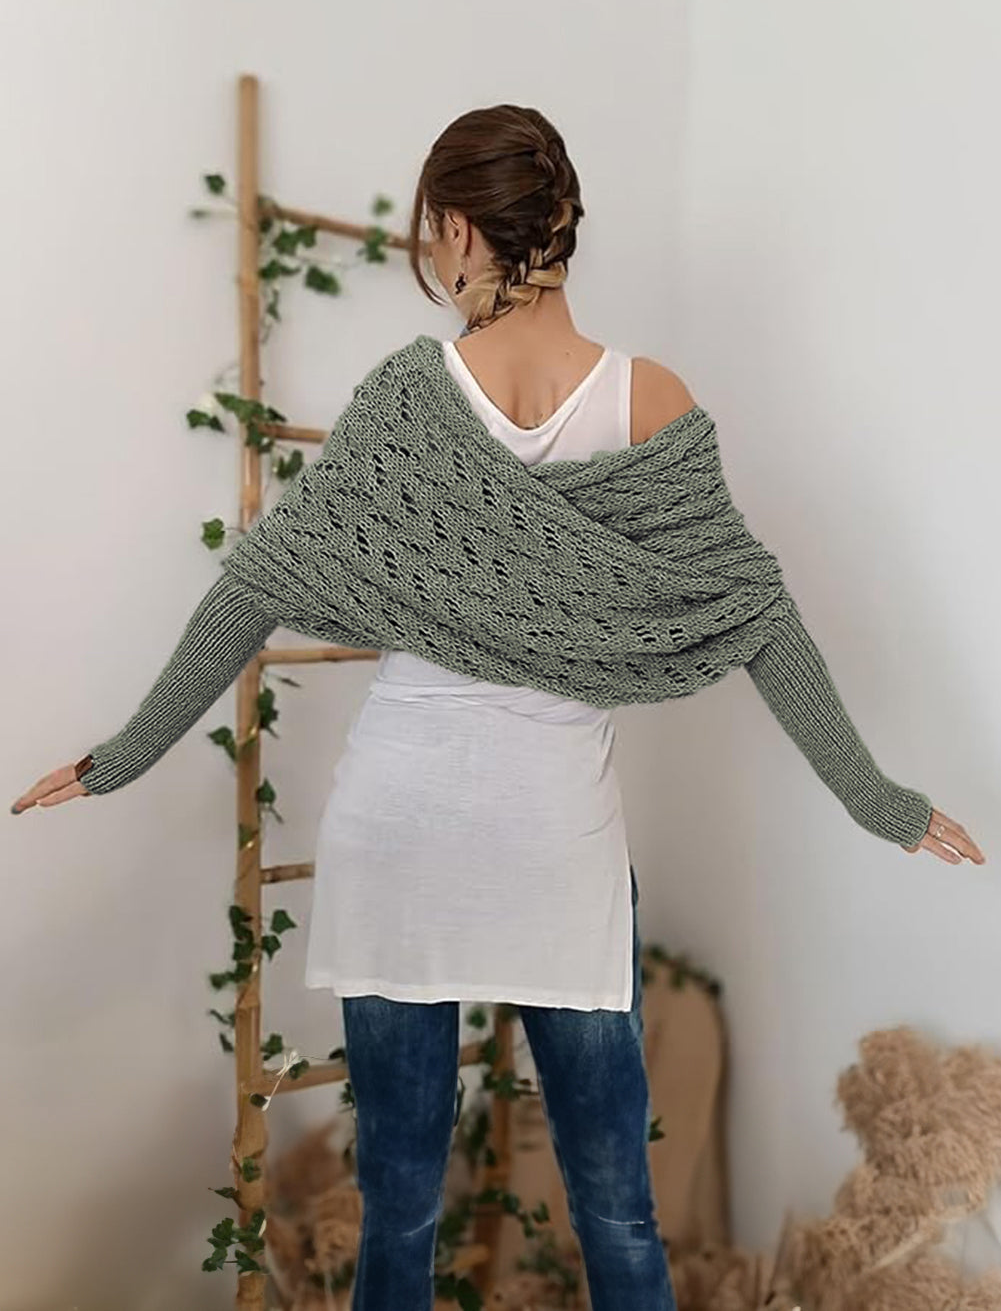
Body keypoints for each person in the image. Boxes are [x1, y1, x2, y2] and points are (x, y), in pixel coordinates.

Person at [11, 103, 986, 1311]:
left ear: (463, 231)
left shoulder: (406, 400)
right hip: (555, 848)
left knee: (396, 1217)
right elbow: (758, 617)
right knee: (618, 1214)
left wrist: (124, 753)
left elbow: (250, 589)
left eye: (434, 232)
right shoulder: (648, 399)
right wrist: (873, 798)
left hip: (399, 836)